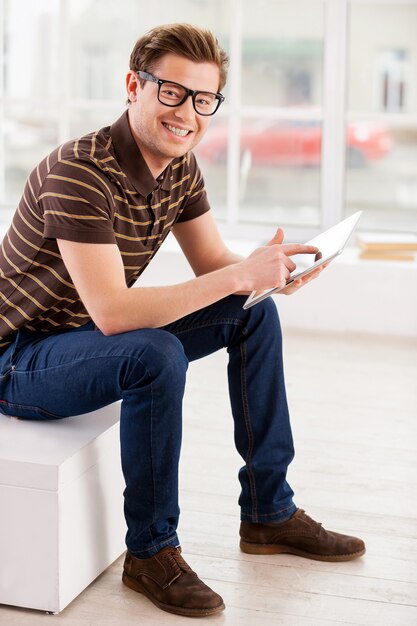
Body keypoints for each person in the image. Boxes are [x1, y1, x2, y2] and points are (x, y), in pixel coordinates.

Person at [0, 23, 365, 618]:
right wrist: (237, 278)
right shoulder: (80, 172)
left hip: (82, 339)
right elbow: (115, 313)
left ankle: (269, 512)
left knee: (254, 315)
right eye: (172, 92)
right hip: (19, 358)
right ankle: (150, 552)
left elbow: (214, 266)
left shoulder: (180, 166)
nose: (188, 114)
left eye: (203, 100)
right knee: (154, 354)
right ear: (133, 87)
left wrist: (268, 270)